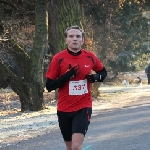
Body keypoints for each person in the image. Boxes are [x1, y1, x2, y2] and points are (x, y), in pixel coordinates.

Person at [45, 25, 107, 150]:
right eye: (71, 36)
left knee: (76, 146)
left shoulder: (90, 57)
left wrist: (95, 78)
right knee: (70, 148)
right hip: (64, 109)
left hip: (83, 107)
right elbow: (49, 86)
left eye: (78, 36)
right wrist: (67, 76)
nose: (75, 39)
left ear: (82, 40)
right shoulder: (58, 58)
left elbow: (103, 73)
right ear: (66, 40)